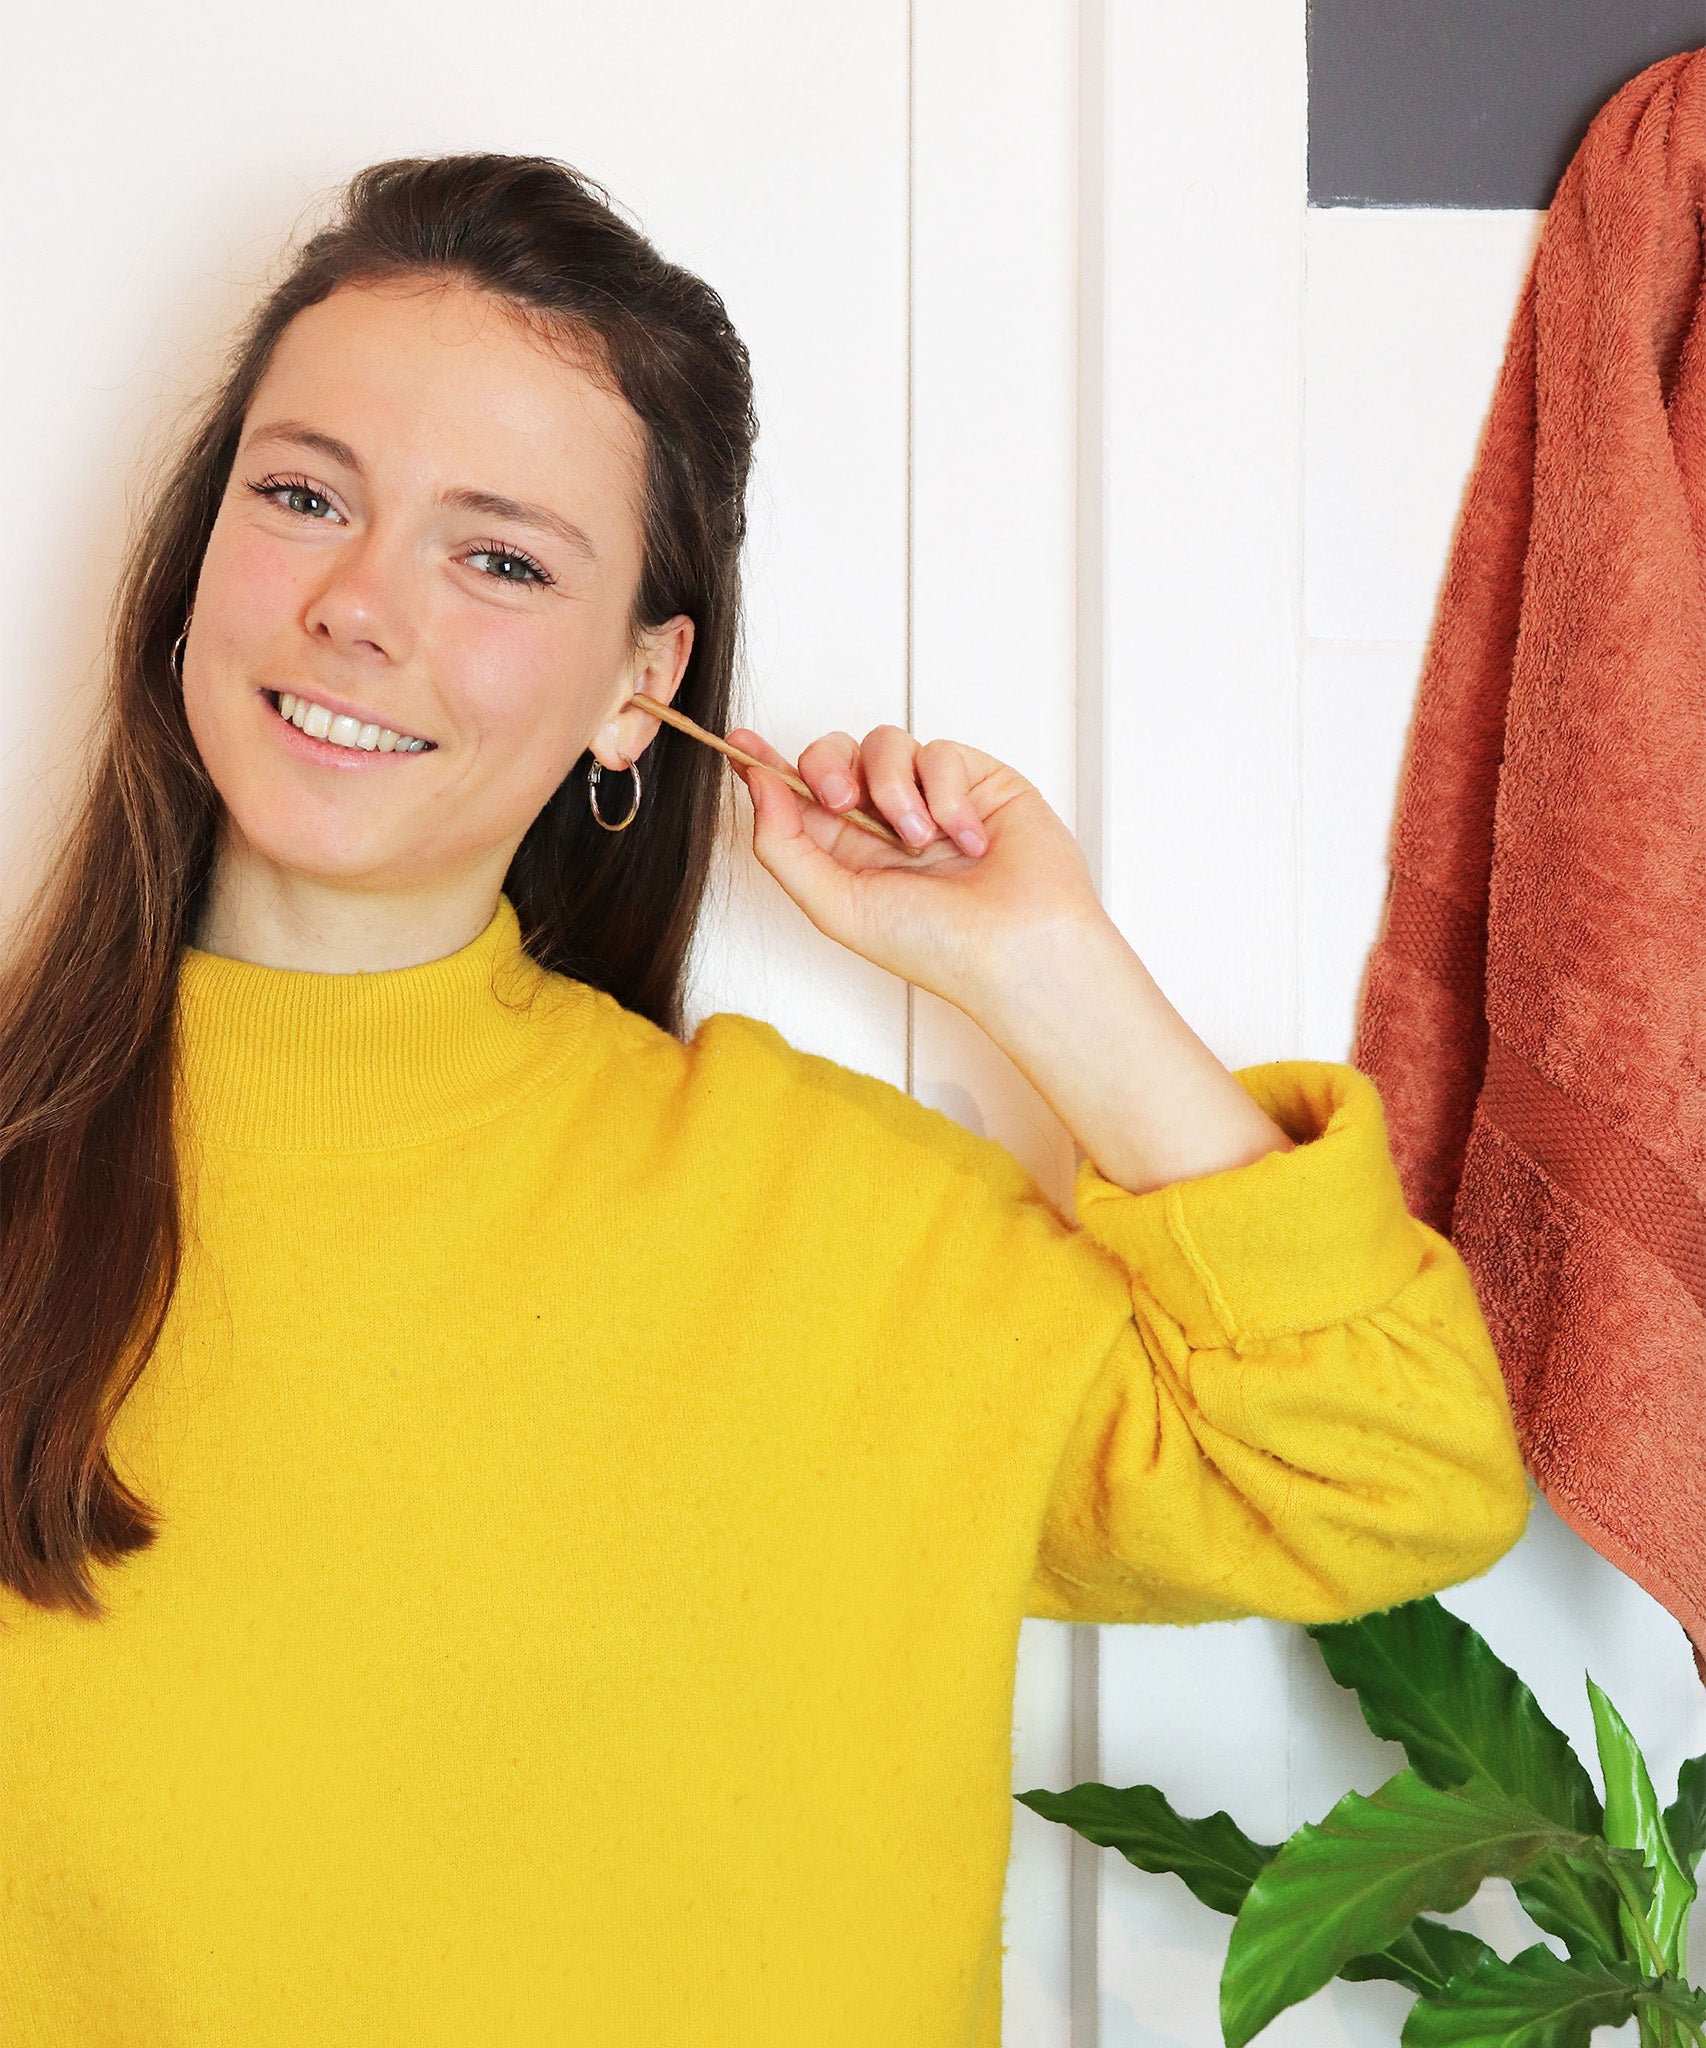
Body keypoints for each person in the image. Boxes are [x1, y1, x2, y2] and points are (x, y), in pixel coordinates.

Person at [0, 154, 1530, 2047]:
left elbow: (1396, 1470)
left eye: (499, 557)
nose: (355, 607)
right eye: (303, 497)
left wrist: (1040, 968)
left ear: (641, 688)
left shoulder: (832, 1225)